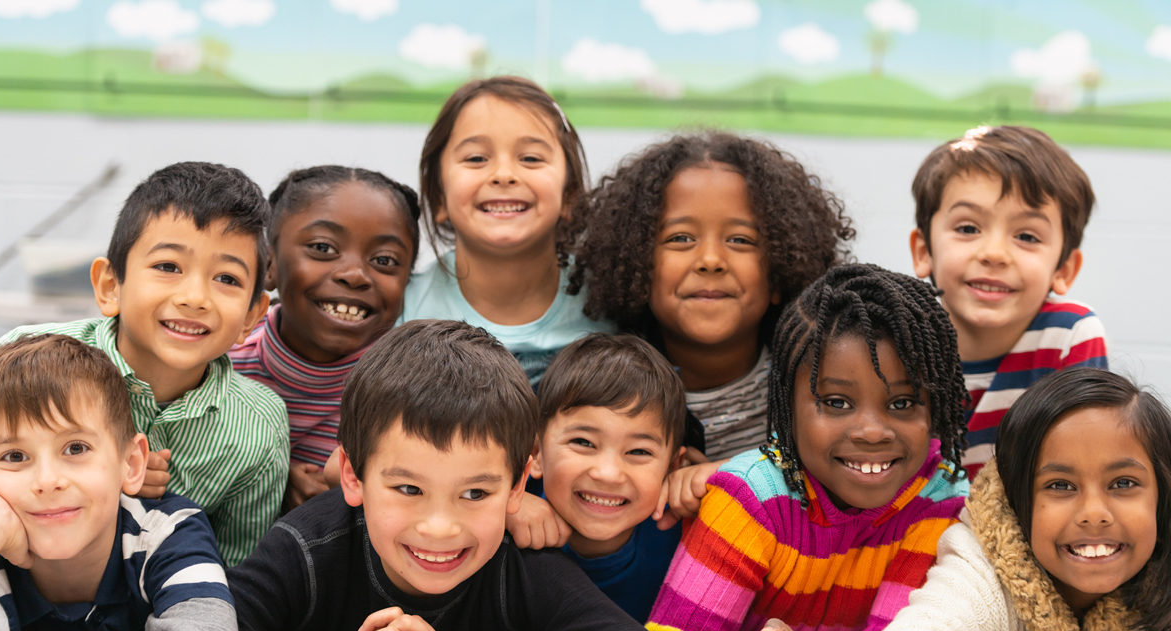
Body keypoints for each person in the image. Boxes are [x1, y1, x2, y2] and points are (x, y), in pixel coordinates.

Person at [227, 320, 685, 631]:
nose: (440, 527)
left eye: (475, 493)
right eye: (409, 489)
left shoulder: (519, 561)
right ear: (353, 475)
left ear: (517, 485)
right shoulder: (310, 546)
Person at [647, 264, 971, 631]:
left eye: (902, 403)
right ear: (786, 405)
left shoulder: (940, 498)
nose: (872, 431)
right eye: (836, 403)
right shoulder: (751, 496)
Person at [0, 162, 290, 566]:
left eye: (227, 279)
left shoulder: (258, 429)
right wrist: (102, 479)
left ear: (251, 318)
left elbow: (234, 573)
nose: (195, 297)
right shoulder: (20, 360)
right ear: (110, 286)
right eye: (168, 267)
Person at [569, 131, 854, 526]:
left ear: (780, 274)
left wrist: (731, 476)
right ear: (636, 265)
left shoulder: (819, 381)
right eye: (680, 238)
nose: (710, 260)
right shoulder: (598, 382)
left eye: (739, 240)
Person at [853, 367, 1171, 631]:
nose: (1094, 514)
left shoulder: (1163, 564)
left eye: (1123, 483)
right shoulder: (983, 569)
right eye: (1060, 485)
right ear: (1016, 500)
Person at [0, 335, 244, 631]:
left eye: (76, 448)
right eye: (14, 456)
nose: (48, 481)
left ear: (131, 465)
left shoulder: (166, 532)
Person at [908, 125, 1107, 479]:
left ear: (1063, 268)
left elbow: (1079, 471)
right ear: (924, 251)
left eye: (1027, 236)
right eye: (968, 228)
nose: (994, 253)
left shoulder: (1067, 336)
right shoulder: (897, 341)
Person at [399, 76, 612, 385]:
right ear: (438, 197)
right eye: (476, 158)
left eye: (530, 158)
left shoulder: (611, 305)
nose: (504, 174)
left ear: (569, 195)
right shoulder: (403, 312)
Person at [230, 165, 420, 510]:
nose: (354, 274)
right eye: (322, 247)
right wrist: (265, 473)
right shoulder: (216, 365)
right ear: (268, 263)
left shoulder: (416, 391)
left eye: (384, 260)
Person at [511, 333, 688, 623]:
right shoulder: (506, 517)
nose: (607, 474)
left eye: (639, 451)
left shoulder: (688, 537)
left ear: (672, 468)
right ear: (537, 453)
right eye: (583, 442)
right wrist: (502, 507)